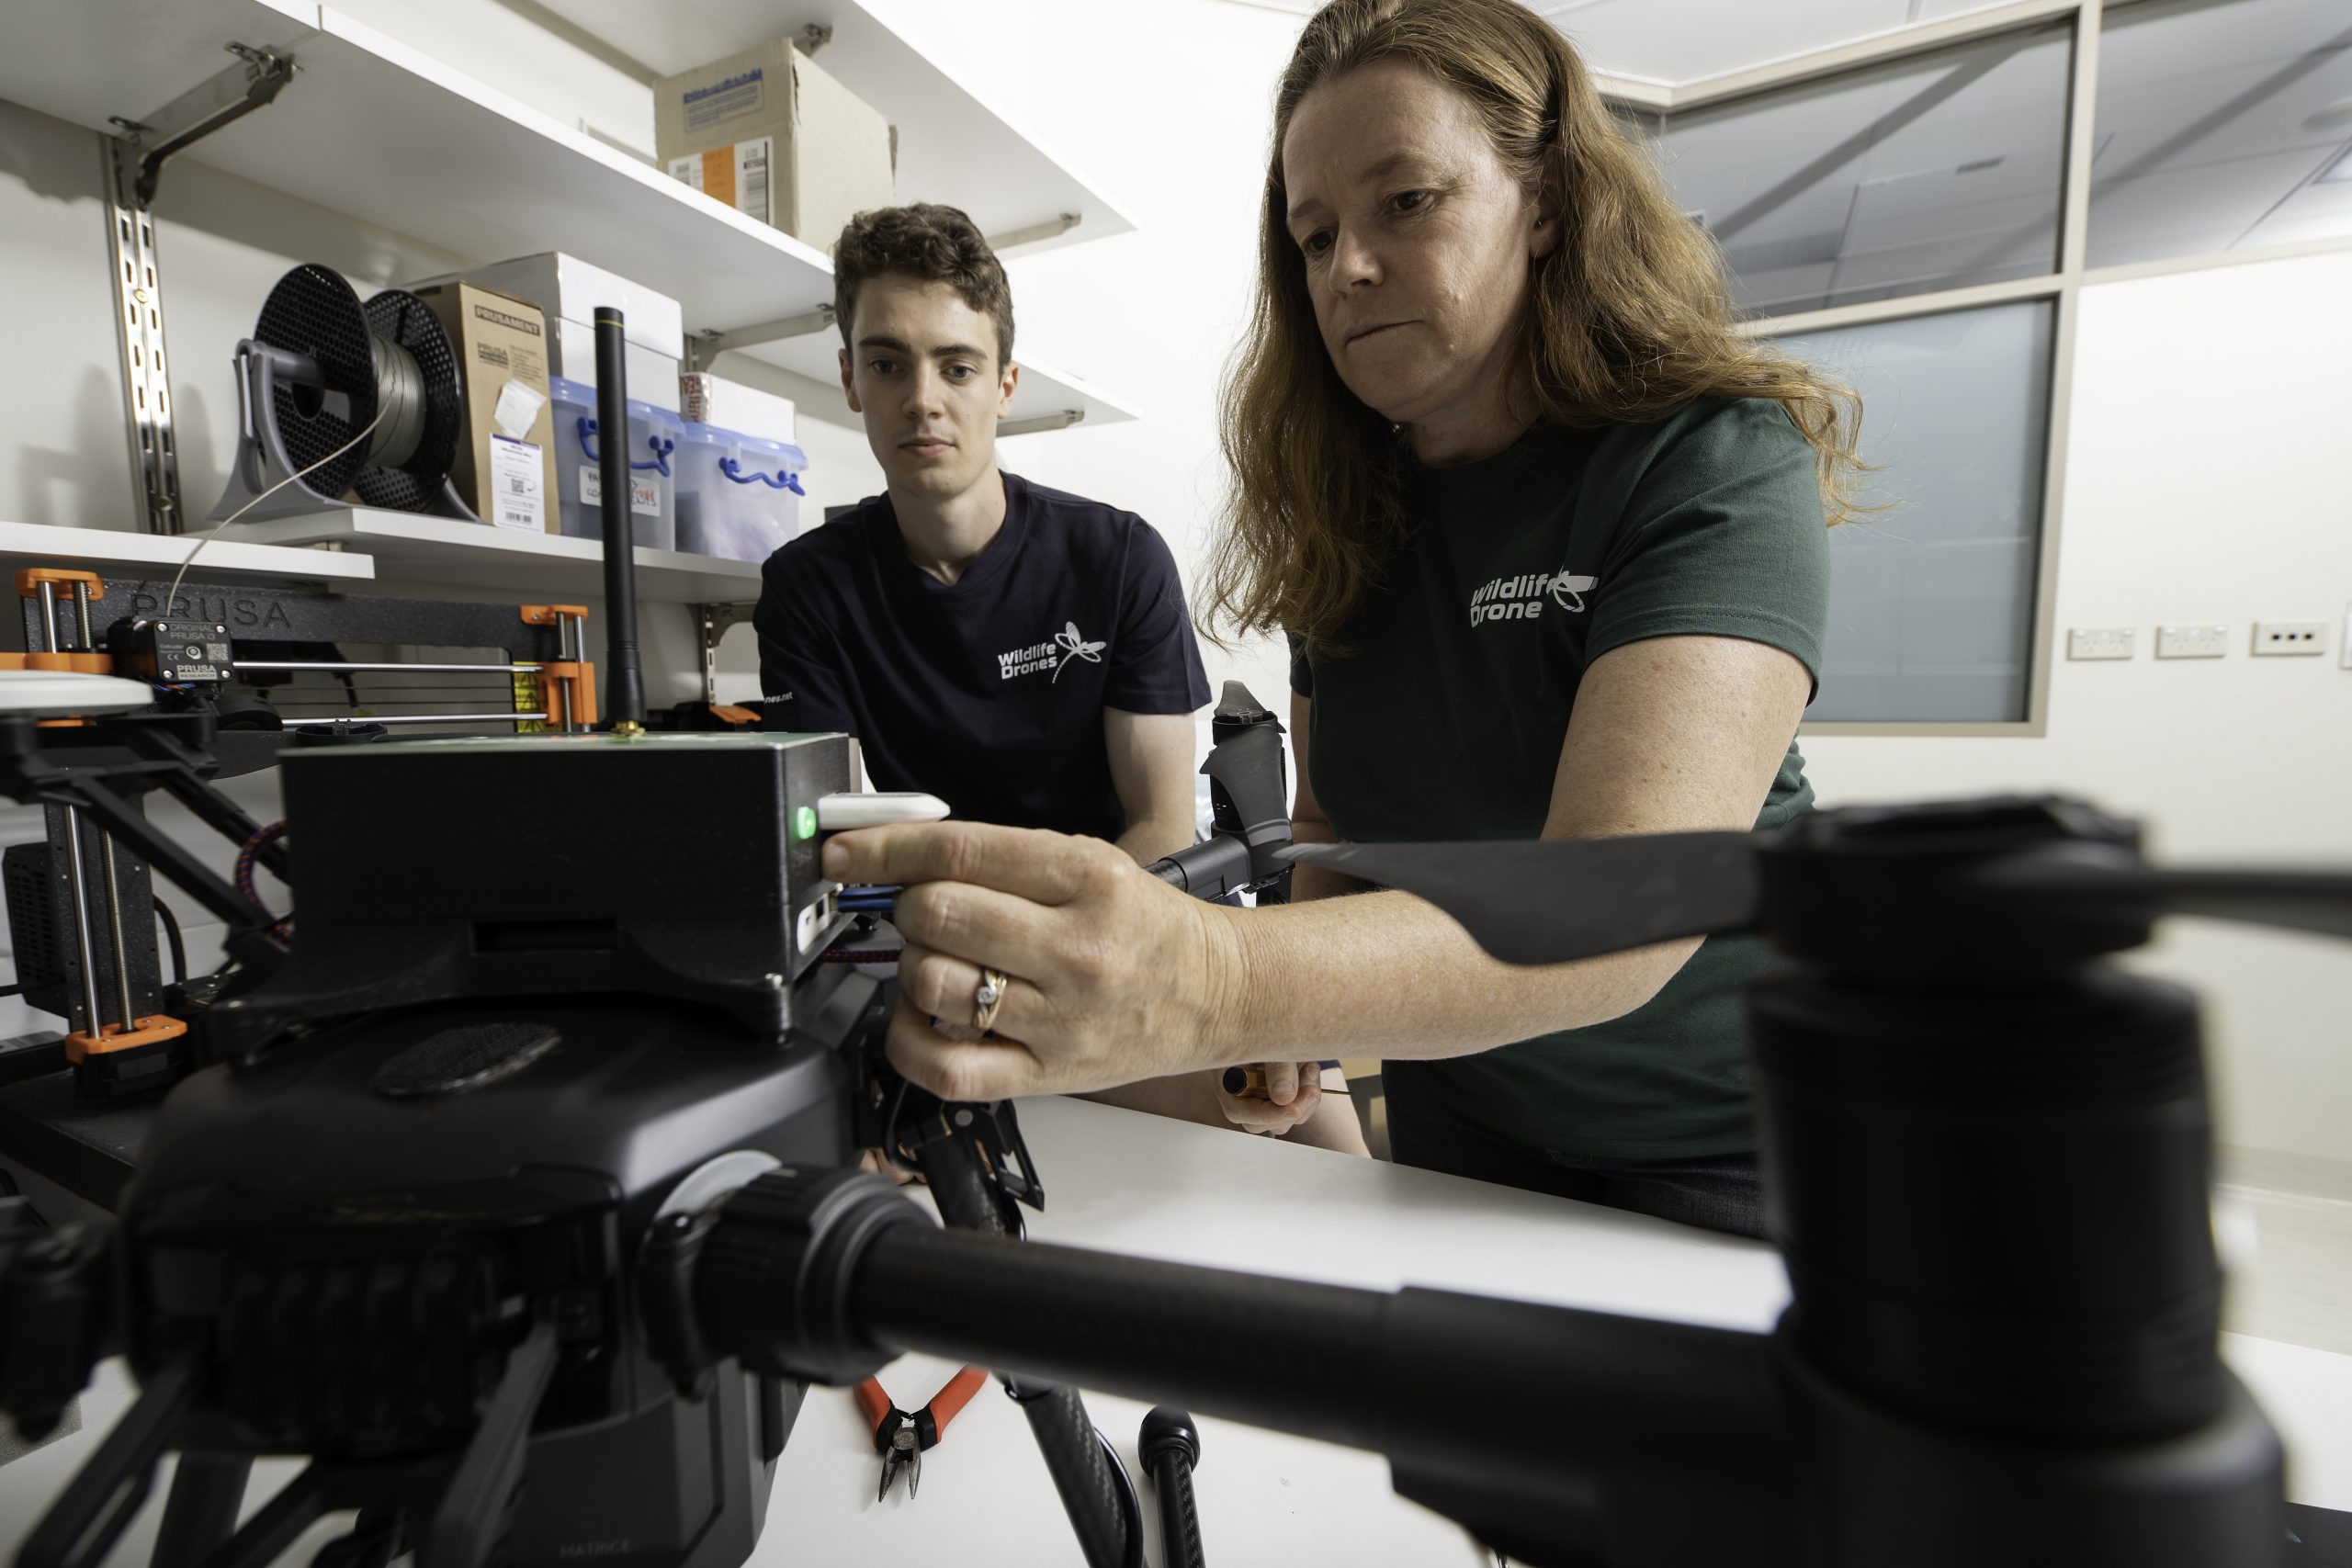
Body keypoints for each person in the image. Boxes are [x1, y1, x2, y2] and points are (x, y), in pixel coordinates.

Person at [817, 0, 1860, 1237]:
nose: (1349, 267)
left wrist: (1220, 980)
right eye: (1314, 237)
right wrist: (1287, 1024)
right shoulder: (1348, 507)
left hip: (1727, 1127)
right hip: (1464, 1105)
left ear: (1549, 206)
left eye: (1405, 201)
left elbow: (1623, 901)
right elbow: (1329, 828)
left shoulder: (1710, 460)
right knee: (1440, 1422)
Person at [753, 204, 1209, 861]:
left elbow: (1163, 828)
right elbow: (840, 836)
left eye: (958, 368)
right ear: (850, 378)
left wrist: (1038, 950)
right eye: (886, 365)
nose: (922, 400)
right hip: (926, 919)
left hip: (1109, 920)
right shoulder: (806, 591)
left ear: (1005, 387)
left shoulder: (1120, 560)